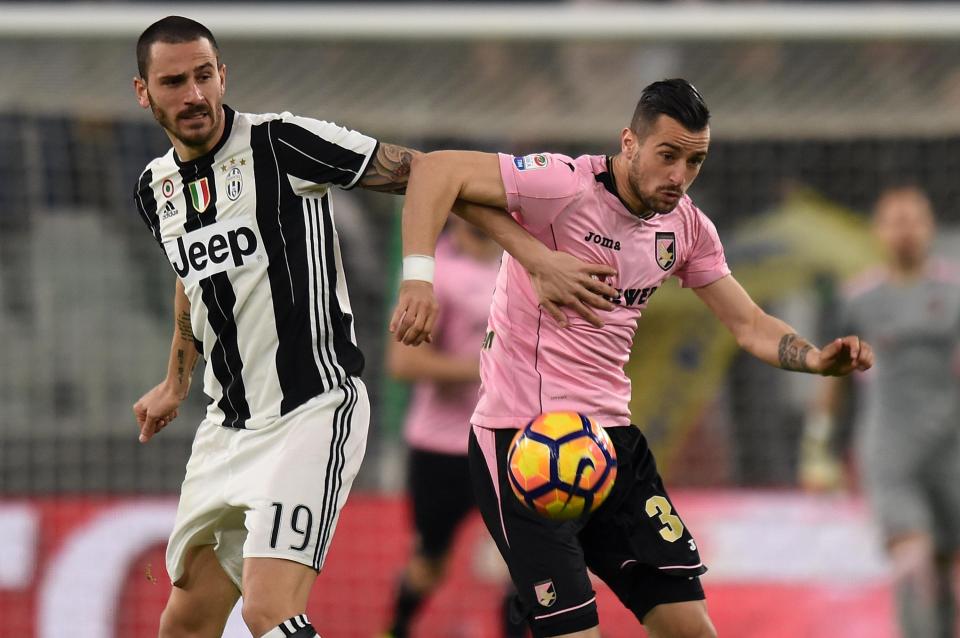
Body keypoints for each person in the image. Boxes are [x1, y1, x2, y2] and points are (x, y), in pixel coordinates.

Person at [130, 16, 618, 638]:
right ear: (144, 93)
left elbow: (432, 173)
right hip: (226, 428)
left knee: (267, 611)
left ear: (223, 76)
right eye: (174, 82)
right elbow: (190, 277)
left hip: (311, 411)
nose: (193, 94)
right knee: (184, 622)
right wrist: (175, 381)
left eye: (204, 76)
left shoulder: (284, 144)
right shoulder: (155, 188)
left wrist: (537, 257)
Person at [390, 79, 875, 638]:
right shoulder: (562, 185)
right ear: (629, 143)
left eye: (694, 161)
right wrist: (419, 282)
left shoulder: (687, 227)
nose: (679, 175)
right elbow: (434, 171)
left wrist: (815, 359)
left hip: (611, 445)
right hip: (521, 444)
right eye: (668, 155)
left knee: (692, 628)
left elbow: (749, 324)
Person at [800, 186, 960, 638]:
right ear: (878, 232)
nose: (905, 231)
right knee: (913, 554)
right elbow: (833, 381)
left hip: (950, 449)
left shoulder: (954, 291)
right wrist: (818, 450)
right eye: (895, 221)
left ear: (930, 228)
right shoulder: (858, 299)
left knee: (945, 560)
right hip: (889, 449)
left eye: (914, 220)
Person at [383, 217, 523, 638]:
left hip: (511, 440)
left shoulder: (523, 266)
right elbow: (403, 362)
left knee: (525, 562)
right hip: (443, 447)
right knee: (429, 563)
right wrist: (485, 368)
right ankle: (395, 628)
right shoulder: (433, 275)